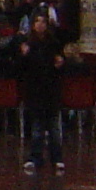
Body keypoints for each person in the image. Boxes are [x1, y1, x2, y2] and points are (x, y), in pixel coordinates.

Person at [17, 12, 65, 172]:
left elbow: (60, 63)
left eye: (43, 22)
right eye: (37, 22)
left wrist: (60, 64)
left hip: (51, 89)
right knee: (37, 127)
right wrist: (23, 56)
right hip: (35, 89)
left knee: (54, 128)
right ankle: (35, 157)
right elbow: (22, 69)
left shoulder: (53, 43)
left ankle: (57, 158)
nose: (40, 25)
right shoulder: (28, 43)